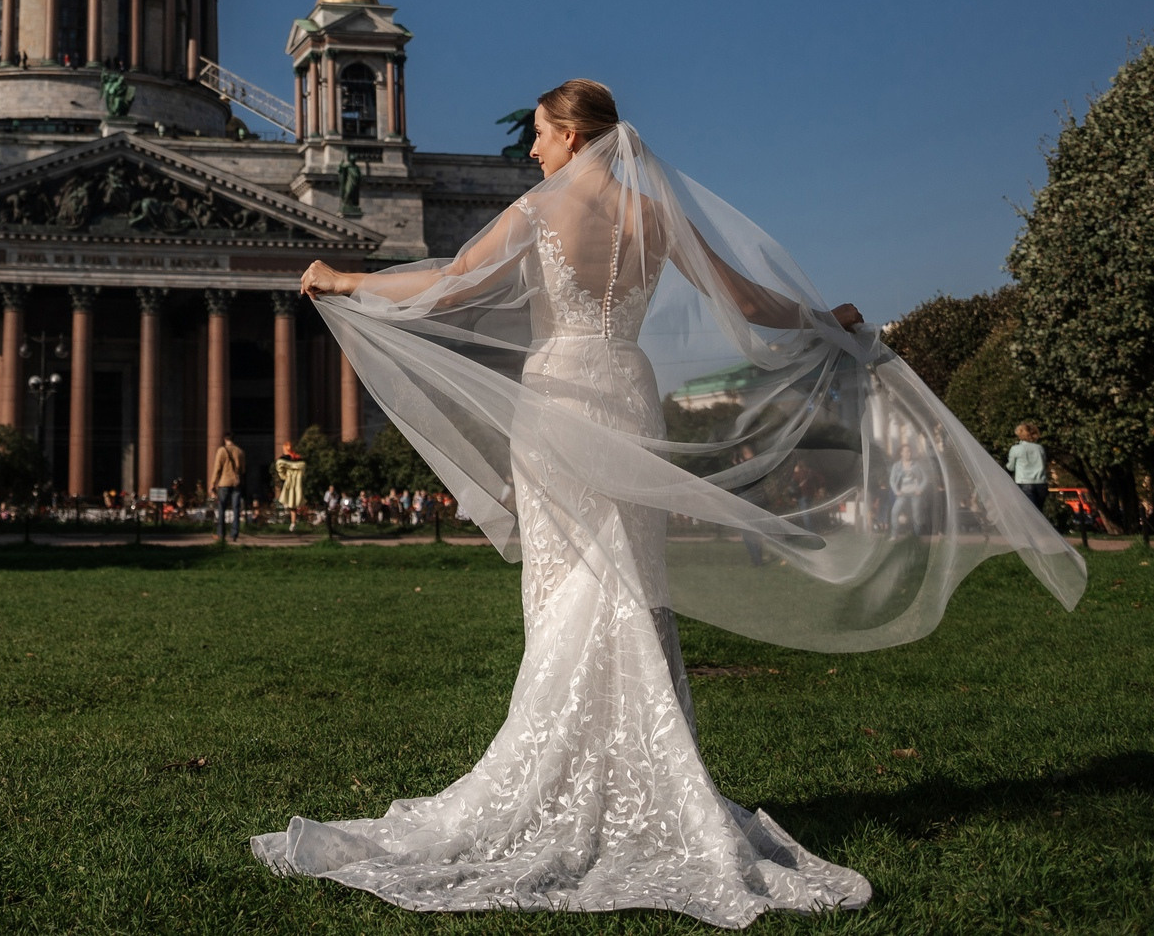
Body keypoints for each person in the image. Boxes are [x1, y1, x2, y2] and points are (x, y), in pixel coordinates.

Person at [257, 79, 1085, 924]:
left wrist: (348, 279)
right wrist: (822, 318)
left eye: (539, 134)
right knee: (628, 579)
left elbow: (455, 283)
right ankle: (634, 771)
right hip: (626, 390)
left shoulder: (537, 209)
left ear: (572, 135)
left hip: (557, 395)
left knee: (570, 583)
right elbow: (748, 301)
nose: (531, 149)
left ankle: (562, 772)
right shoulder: (655, 215)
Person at [1006, 422, 1048, 515]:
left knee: (1029, 514)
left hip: (1024, 482)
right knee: (1039, 512)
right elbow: (1044, 463)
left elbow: (1011, 467)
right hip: (1041, 483)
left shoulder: (1016, 449)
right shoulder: (1040, 448)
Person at [210, 433, 246, 541]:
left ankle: (221, 534)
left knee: (222, 508)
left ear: (225, 440)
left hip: (224, 483)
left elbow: (217, 468)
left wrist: (212, 483)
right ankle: (234, 534)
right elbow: (243, 470)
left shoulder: (221, 451)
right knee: (236, 509)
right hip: (236, 483)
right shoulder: (240, 451)